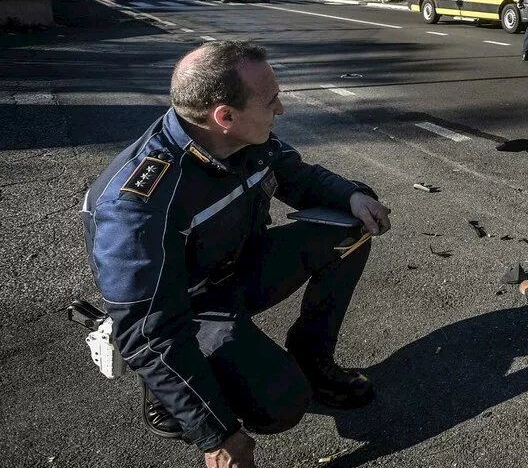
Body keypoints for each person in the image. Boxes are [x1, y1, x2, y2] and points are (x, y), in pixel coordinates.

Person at [81, 40, 392, 468]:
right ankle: (166, 393)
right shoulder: (136, 205)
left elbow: (295, 175)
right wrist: (217, 435)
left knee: (352, 228)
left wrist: (353, 195)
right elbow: (149, 330)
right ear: (224, 116)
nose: (280, 109)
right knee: (281, 406)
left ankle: (313, 358)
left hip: (238, 266)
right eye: (271, 101)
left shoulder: (241, 138)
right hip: (189, 308)